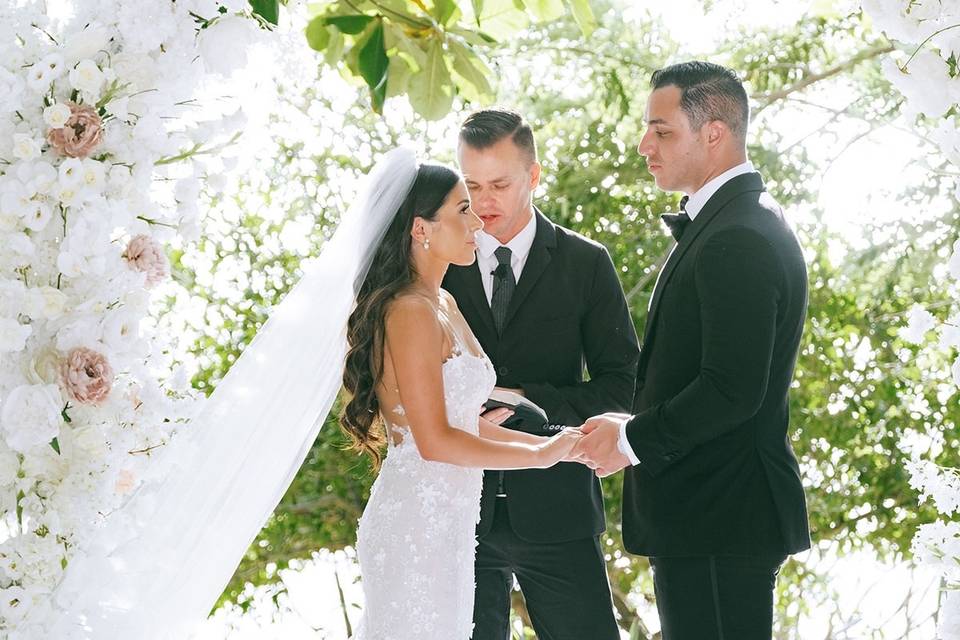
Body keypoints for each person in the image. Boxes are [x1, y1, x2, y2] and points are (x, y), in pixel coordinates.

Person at [574, 61, 811, 640]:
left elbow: (732, 389)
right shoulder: (736, 224)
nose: (643, 144)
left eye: (662, 130)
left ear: (715, 133)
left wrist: (631, 441)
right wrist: (632, 419)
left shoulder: (737, 238)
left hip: (720, 518)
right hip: (708, 516)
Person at [339, 158, 584, 639]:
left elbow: (461, 424)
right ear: (420, 228)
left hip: (449, 525)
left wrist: (557, 447)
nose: (477, 222)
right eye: (463, 210)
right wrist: (537, 457)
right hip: (415, 525)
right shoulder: (409, 312)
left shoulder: (444, 303)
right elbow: (434, 441)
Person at [443, 108, 639, 640]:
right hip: (457, 511)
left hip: (560, 508)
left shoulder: (587, 263)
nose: (484, 203)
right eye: (472, 185)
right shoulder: (437, 266)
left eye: (500, 184)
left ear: (533, 176)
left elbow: (623, 386)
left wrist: (524, 402)